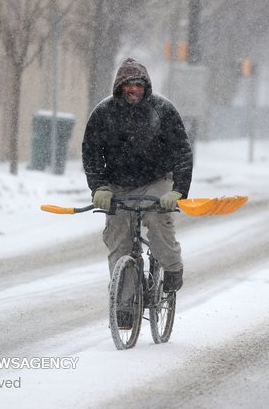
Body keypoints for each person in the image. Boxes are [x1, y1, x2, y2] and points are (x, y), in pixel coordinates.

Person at [82, 57, 193, 296]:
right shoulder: (103, 113)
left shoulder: (163, 110)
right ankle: (124, 305)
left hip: (156, 180)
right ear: (119, 87)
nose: (133, 89)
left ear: (146, 87)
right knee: (117, 238)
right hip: (118, 184)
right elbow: (91, 153)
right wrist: (99, 187)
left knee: (157, 220)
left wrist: (178, 191)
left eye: (138, 84)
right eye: (128, 84)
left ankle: (172, 267)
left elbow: (182, 151)